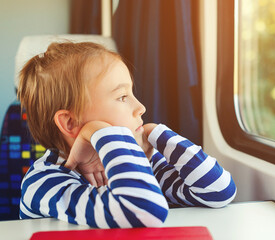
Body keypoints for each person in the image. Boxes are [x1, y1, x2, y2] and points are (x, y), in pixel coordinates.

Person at [17, 41, 237, 228]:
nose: (141, 107)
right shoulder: (44, 182)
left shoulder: (137, 157)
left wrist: (159, 134)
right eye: (122, 97)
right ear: (71, 122)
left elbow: (218, 191)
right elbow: (143, 212)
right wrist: (102, 133)